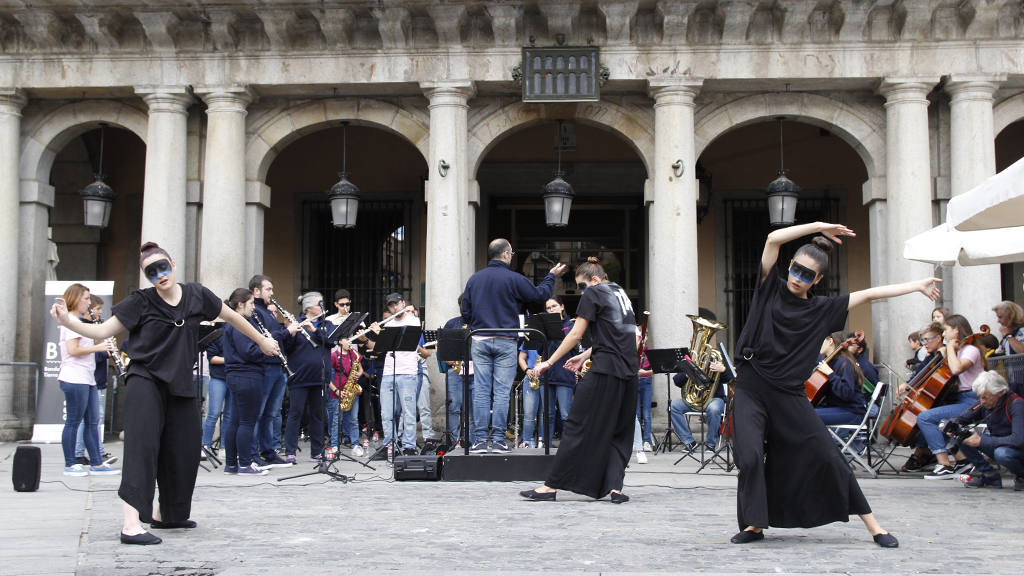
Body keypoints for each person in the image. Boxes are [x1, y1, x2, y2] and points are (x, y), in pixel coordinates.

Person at [49, 242, 280, 545]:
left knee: (185, 450)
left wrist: (262, 340)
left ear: (173, 264)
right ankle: (131, 525)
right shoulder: (141, 301)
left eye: (163, 267)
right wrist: (67, 321)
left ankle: (167, 514)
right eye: (151, 272)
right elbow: (102, 331)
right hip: (144, 379)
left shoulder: (197, 294)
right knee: (141, 449)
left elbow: (234, 317)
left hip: (180, 382)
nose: (159, 275)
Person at [729, 221, 941, 548]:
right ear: (789, 266)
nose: (798, 278)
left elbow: (871, 294)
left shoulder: (823, 308)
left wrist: (917, 285)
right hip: (751, 389)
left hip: (789, 395)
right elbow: (772, 238)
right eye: (796, 270)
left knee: (828, 454)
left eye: (807, 275)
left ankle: (875, 527)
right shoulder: (769, 288)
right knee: (751, 457)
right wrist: (817, 226)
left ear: (818, 280)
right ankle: (755, 525)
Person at [519, 257, 638, 503]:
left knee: (577, 424)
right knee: (619, 431)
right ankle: (615, 487)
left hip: (606, 370)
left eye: (582, 286)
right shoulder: (621, 294)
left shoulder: (594, 293)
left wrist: (549, 362)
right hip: (628, 372)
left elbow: (575, 334)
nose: (582, 291)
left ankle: (551, 486)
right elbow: (619, 337)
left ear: (594, 279)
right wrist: (584, 356)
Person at [461, 238, 566, 453]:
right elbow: (540, 295)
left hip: (480, 339)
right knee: (501, 392)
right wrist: (551, 275)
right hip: (506, 340)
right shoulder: (514, 278)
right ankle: (499, 441)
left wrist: (479, 322)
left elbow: (465, 312)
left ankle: (480, 441)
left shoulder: (474, 279)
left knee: (481, 391)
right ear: (506, 254)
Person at [57, 284, 118, 477]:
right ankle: (70, 464)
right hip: (74, 377)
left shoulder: (79, 323)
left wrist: (101, 342)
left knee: (92, 422)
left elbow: (85, 344)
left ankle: (97, 464)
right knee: (73, 422)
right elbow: (73, 350)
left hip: (87, 378)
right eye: (85, 299)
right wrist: (99, 347)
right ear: (76, 300)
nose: (88, 303)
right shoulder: (71, 322)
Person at [920, 314, 987, 480]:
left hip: (973, 400)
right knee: (940, 420)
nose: (943, 334)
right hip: (964, 398)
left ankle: (944, 465)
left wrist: (949, 348)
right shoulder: (961, 350)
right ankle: (963, 460)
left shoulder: (971, 350)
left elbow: (957, 369)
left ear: (956, 330)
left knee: (925, 418)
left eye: (946, 330)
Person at [221, 288, 271, 478]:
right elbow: (248, 352)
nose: (253, 308)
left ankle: (231, 464)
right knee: (247, 422)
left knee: (235, 421)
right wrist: (266, 348)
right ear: (241, 305)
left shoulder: (233, 323)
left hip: (237, 376)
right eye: (251, 303)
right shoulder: (240, 324)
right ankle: (245, 464)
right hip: (247, 376)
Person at [280, 292, 333, 463]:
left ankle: (316, 451)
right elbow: (286, 348)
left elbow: (331, 342)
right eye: (319, 304)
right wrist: (289, 331)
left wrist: (315, 331)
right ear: (308, 308)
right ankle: (290, 451)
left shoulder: (327, 324)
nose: (322, 306)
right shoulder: (296, 323)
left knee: (318, 415)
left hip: (320, 376)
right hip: (299, 376)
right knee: (295, 413)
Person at [952, 371, 1024, 491]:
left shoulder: (1017, 404)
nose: (982, 401)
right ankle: (989, 474)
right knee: (962, 434)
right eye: (979, 397)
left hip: (1017, 449)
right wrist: (951, 426)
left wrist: (981, 441)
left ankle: (1021, 475)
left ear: (999, 392)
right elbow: (963, 417)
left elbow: (1018, 440)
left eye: (985, 397)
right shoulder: (986, 402)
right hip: (1000, 444)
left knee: (1002, 454)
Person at [248, 275, 293, 468]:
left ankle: (268, 452)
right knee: (258, 413)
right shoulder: (254, 312)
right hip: (265, 367)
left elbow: (282, 342)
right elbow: (263, 337)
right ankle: (252, 453)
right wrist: (286, 331)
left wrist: (289, 328)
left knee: (271, 413)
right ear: (256, 290)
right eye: (268, 289)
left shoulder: (268, 313)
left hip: (278, 366)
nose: (272, 293)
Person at [379, 293, 431, 456]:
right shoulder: (387, 324)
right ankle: (390, 446)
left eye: (397, 304)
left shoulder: (413, 321)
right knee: (387, 413)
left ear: (402, 303)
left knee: (408, 412)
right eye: (391, 306)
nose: (394, 308)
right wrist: (374, 335)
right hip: (389, 372)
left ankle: (409, 446)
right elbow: (380, 349)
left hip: (408, 372)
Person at [900, 322, 945, 472]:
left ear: (938, 338)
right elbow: (919, 373)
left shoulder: (945, 354)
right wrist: (907, 385)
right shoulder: (931, 356)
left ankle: (921, 453)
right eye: (922, 340)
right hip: (936, 399)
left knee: (924, 417)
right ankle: (923, 453)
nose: (924, 343)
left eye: (927, 339)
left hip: (947, 399)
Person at [75, 295, 115, 466]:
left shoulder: (93, 328)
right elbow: (83, 354)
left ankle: (82, 453)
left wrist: (105, 348)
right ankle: (92, 454)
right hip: (88, 378)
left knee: (90, 419)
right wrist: (103, 349)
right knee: (90, 419)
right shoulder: (83, 327)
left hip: (94, 378)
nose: (99, 312)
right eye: (97, 309)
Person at [670, 361, 731, 451]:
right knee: (673, 407)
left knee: (713, 409)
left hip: (714, 398)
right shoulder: (690, 362)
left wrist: (723, 370)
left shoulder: (716, 361)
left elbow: (729, 379)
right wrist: (686, 375)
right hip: (695, 399)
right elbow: (677, 381)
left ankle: (711, 444)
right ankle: (689, 442)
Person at [813, 332, 868, 427]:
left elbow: (846, 393)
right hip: (840, 408)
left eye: (821, 341)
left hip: (852, 412)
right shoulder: (831, 362)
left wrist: (830, 374)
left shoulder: (844, 363)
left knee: (807, 416)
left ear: (830, 341)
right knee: (804, 413)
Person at [442, 295, 472, 447]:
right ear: (459, 305)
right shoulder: (451, 323)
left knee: (472, 410)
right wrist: (449, 360)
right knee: (453, 408)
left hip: (474, 373)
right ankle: (453, 443)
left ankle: (471, 441)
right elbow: (441, 345)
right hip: (455, 372)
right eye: (463, 304)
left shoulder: (479, 323)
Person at [330, 338, 364, 457]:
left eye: (351, 341)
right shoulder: (333, 356)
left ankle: (355, 444)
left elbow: (360, 369)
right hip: (338, 391)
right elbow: (327, 377)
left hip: (352, 391)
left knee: (354, 420)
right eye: (348, 341)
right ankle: (334, 445)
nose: (350, 343)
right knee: (336, 420)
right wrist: (336, 390)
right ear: (340, 341)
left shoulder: (354, 354)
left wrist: (358, 374)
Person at [201, 334, 227, 455]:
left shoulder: (241, 334)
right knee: (214, 413)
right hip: (218, 378)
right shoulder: (218, 335)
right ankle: (205, 445)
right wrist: (230, 358)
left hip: (233, 377)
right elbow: (211, 358)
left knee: (229, 416)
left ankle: (224, 448)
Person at [637, 342, 654, 452]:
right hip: (635, 382)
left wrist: (645, 372)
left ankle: (647, 442)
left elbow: (657, 369)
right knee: (636, 415)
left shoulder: (650, 352)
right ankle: (637, 441)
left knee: (647, 414)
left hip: (646, 382)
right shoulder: (632, 350)